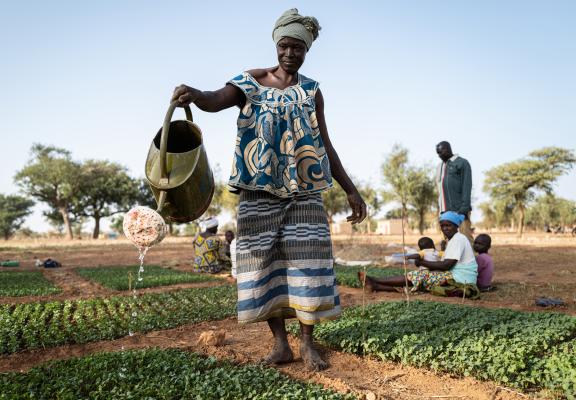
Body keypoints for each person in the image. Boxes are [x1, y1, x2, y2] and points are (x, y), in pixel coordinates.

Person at [171, 8, 366, 371]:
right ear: (276, 45)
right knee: (260, 264)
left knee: (308, 263)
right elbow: (215, 99)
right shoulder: (251, 81)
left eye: (298, 49)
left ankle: (308, 344)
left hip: (304, 191)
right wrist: (195, 95)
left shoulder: (311, 91)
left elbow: (325, 143)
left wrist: (351, 189)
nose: (290, 54)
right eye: (285, 46)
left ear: (307, 51)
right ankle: (280, 344)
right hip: (257, 190)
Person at [360, 212, 477, 292]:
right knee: (420, 277)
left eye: (448, 225)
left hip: (461, 280)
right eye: (443, 226)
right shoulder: (454, 239)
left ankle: (374, 280)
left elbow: (446, 265)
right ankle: (375, 285)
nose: (445, 228)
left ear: (456, 226)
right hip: (455, 275)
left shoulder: (458, 239)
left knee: (419, 276)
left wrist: (422, 263)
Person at [435, 141, 473, 244]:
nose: (439, 155)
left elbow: (467, 186)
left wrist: (464, 209)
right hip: (445, 212)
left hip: (459, 210)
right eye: (437, 153)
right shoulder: (439, 166)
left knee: (465, 239)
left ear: (447, 149)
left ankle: (471, 260)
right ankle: (452, 260)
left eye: (440, 152)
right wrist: (440, 210)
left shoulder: (462, 163)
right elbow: (440, 190)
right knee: (449, 241)